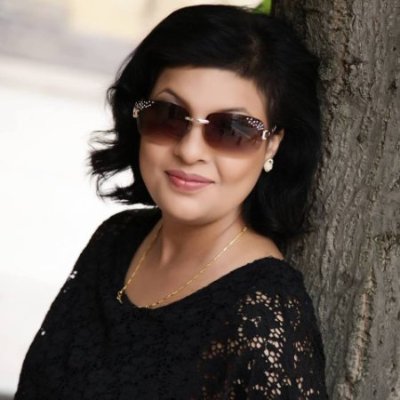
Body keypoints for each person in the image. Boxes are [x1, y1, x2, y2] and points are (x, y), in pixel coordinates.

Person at [15, 4, 328, 399]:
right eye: (169, 115)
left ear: (272, 145)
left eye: (231, 129)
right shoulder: (116, 239)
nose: (190, 150)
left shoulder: (263, 312)